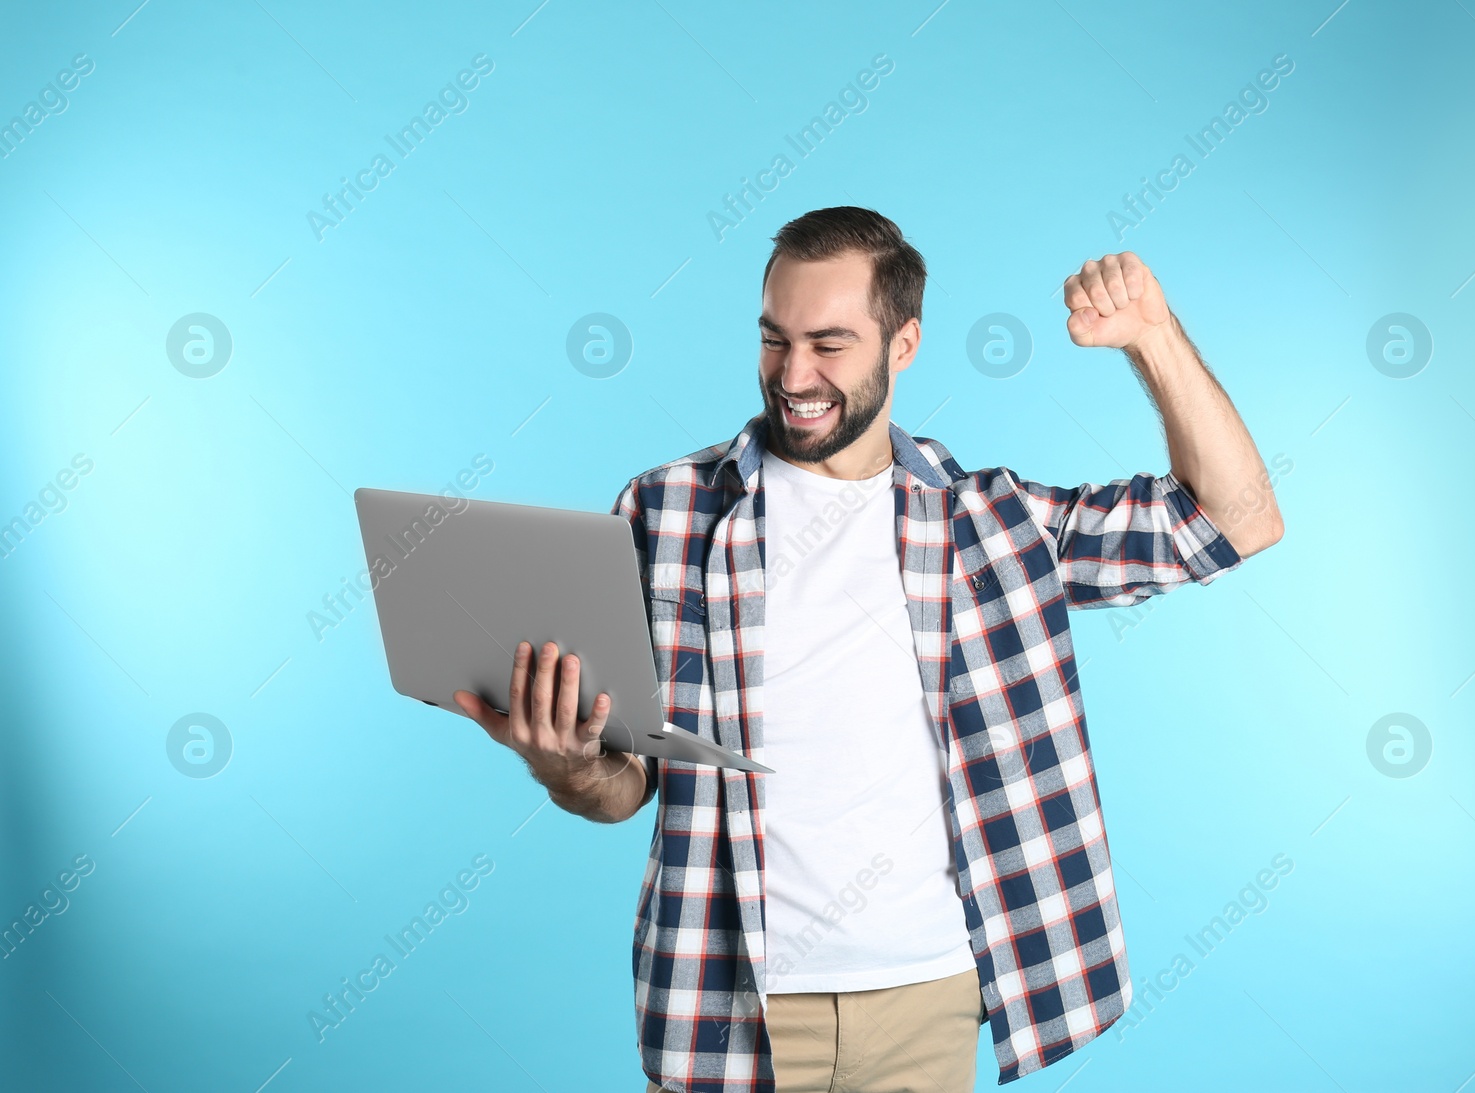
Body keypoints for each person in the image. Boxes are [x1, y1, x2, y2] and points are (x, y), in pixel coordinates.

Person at [454, 207, 1283, 1093]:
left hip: (928, 1001)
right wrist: (566, 765)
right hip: (724, 1003)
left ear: (905, 343)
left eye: (830, 344)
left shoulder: (988, 524)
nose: (794, 375)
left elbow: (1236, 520)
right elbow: (624, 787)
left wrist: (1152, 338)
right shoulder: (666, 513)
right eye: (775, 340)